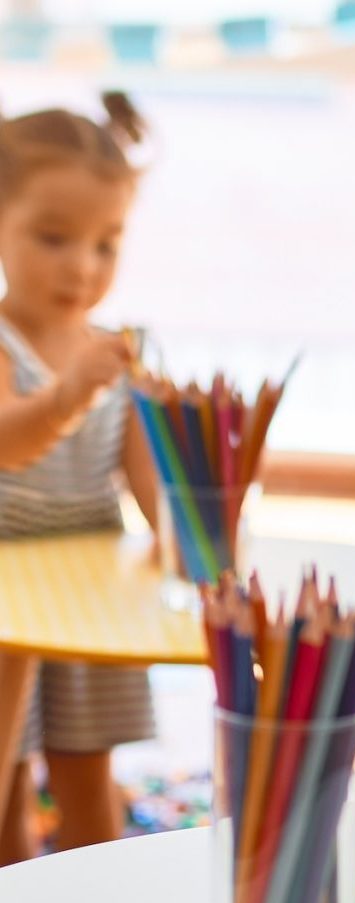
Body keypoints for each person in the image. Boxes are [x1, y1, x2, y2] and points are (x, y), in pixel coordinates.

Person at [0, 92, 159, 863]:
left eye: (105, 244)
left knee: (89, 773)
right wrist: (69, 394)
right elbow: (10, 442)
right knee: (5, 787)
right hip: (7, 604)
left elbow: (150, 480)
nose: (81, 266)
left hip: (88, 602)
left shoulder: (113, 353)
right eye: (53, 238)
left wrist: (195, 534)